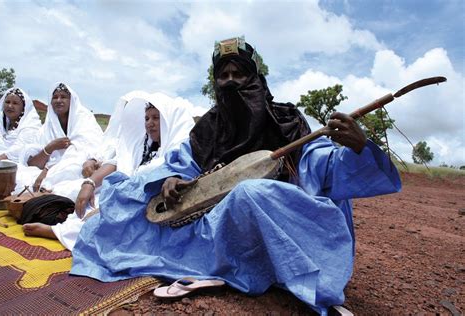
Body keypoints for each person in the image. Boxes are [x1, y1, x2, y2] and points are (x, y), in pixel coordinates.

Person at [70, 37, 401, 315]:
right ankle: (219, 265)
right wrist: (171, 180)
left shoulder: (286, 120)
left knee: (250, 194)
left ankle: (288, 275)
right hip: (212, 225)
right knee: (129, 193)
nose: (229, 81)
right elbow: (181, 164)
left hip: (274, 220)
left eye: (238, 74)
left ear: (255, 79)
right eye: (223, 75)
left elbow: (323, 167)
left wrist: (357, 147)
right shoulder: (209, 126)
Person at [23, 92, 195, 251]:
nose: (150, 123)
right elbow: (117, 162)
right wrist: (89, 183)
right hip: (122, 191)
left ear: (168, 120)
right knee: (83, 195)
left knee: (112, 214)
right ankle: (67, 224)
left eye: (156, 118)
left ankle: (64, 232)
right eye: (147, 118)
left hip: (146, 199)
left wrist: (113, 200)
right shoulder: (143, 145)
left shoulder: (177, 151)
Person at [19, 82, 103, 193]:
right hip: (44, 173)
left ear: (71, 101)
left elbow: (92, 149)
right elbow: (32, 164)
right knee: (19, 175)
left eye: (63, 97)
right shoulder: (45, 130)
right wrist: (50, 148)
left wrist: (48, 170)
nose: (59, 100)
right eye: (55, 97)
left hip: (78, 170)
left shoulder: (84, 120)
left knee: (72, 166)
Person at [0, 87, 42, 161]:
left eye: (15, 103)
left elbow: (15, 152)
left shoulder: (31, 128)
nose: (10, 106)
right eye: (7, 102)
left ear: (23, 108)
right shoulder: (2, 130)